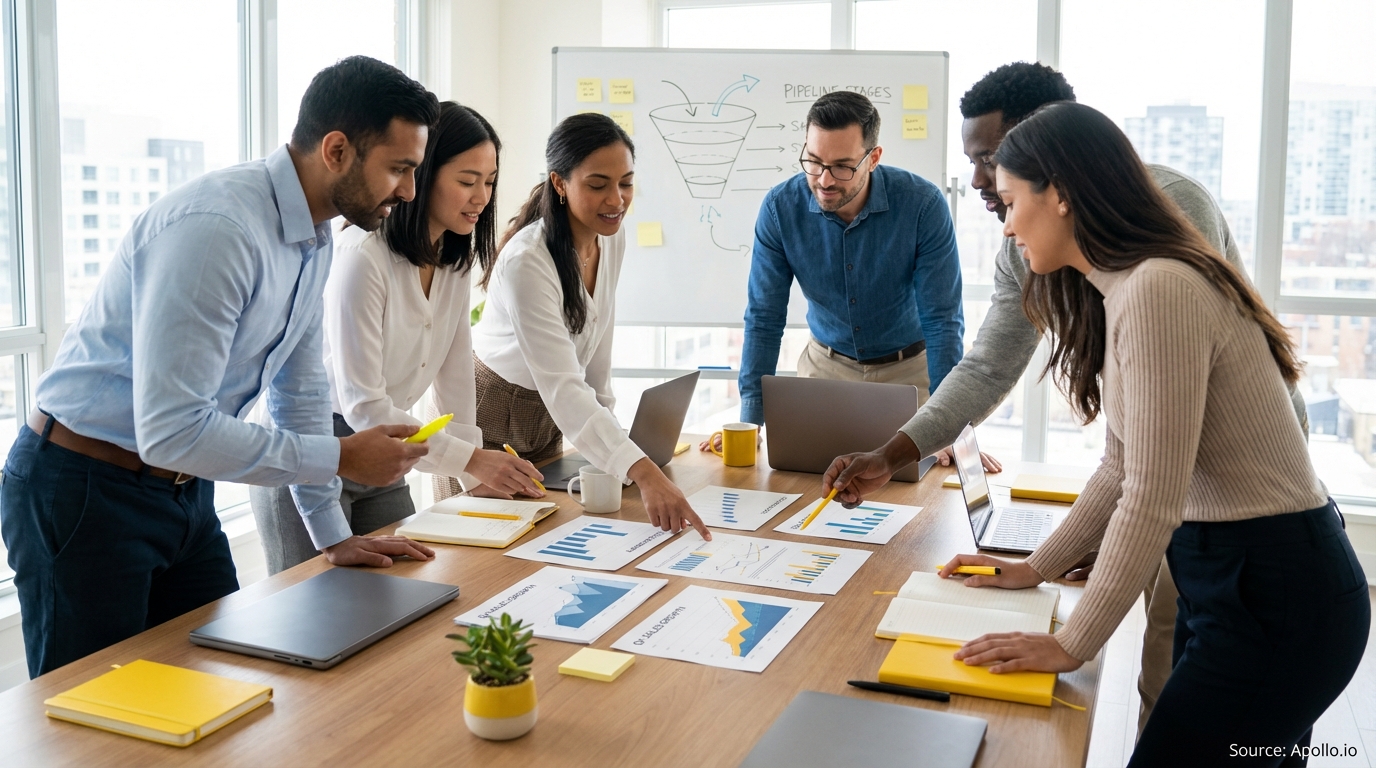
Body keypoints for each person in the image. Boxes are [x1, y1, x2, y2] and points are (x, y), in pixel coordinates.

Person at [822, 61, 1312, 736]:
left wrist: (1071, 641)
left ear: (1051, 160)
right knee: (1183, 697)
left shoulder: (1159, 257)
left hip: (1242, 511)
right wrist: (900, 453)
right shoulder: (1043, 251)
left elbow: (1152, 484)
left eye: (993, 162)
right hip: (1195, 502)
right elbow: (1012, 379)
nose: (982, 186)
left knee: (1184, 671)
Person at [941, 101, 1368, 764]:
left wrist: (1070, 643)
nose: (1006, 229)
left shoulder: (1158, 288)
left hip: (1275, 588)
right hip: (1248, 580)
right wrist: (1035, 568)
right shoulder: (1127, 287)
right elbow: (1119, 465)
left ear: (1060, 197)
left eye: (1010, 200)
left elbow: (1150, 495)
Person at [0, 56, 439, 678]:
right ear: (337, 150)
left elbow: (301, 391)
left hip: (181, 491)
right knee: (89, 721)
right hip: (85, 486)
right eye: (399, 169)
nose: (410, 192)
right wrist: (341, 458)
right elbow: (174, 427)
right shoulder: (220, 229)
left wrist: (331, 533)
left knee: (216, 686)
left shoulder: (313, 236)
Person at [250, 102, 544, 575]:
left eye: (489, 182)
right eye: (467, 181)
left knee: (402, 588)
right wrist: (470, 460)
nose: (481, 198)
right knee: (314, 609)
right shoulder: (362, 256)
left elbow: (455, 380)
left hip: (389, 448)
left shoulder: (456, 261)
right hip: (314, 446)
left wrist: (474, 474)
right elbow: (362, 403)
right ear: (421, 175)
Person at [450, 113, 708, 539]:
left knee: (550, 542)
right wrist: (643, 472)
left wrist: (618, 453)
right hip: (490, 418)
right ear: (559, 183)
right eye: (597, 184)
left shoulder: (611, 236)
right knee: (487, 560)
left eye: (626, 182)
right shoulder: (527, 262)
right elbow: (565, 387)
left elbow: (596, 357)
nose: (617, 200)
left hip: (551, 417)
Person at [733, 89, 963, 432]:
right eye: (813, 161)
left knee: (915, 481)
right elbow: (764, 318)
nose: (824, 180)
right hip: (825, 369)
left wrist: (953, 427)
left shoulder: (922, 205)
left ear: (873, 158)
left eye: (842, 166)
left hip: (910, 374)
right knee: (803, 475)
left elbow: (942, 321)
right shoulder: (780, 208)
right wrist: (750, 423)